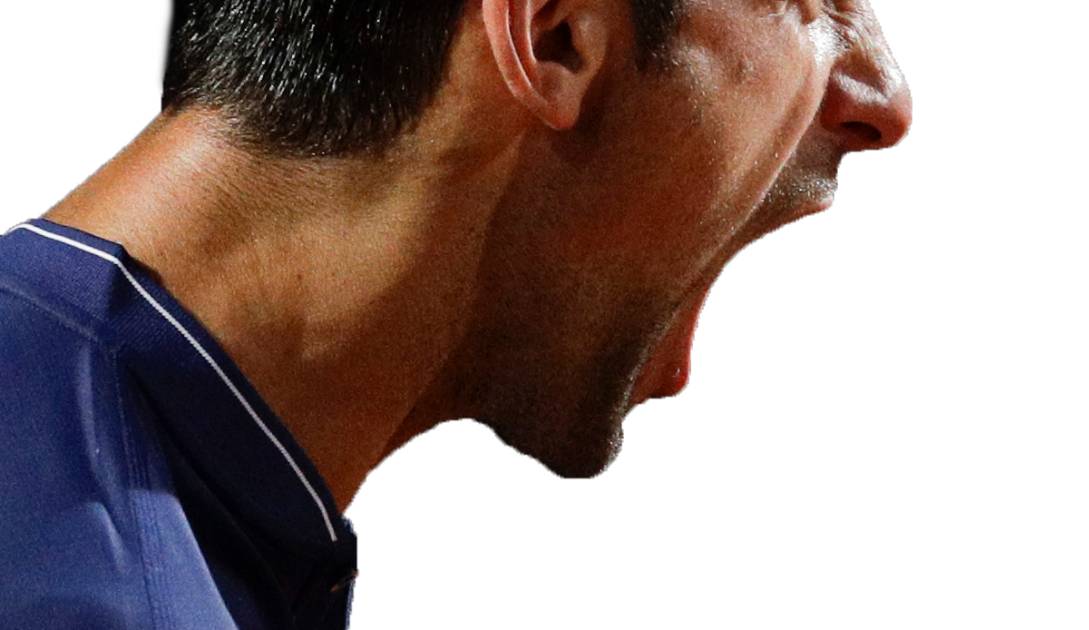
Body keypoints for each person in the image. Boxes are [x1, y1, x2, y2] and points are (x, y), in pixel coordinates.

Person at [0, 0, 911, 627]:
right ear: (557, 35)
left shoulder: (150, 511)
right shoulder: (87, 594)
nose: (885, 100)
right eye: (810, 4)